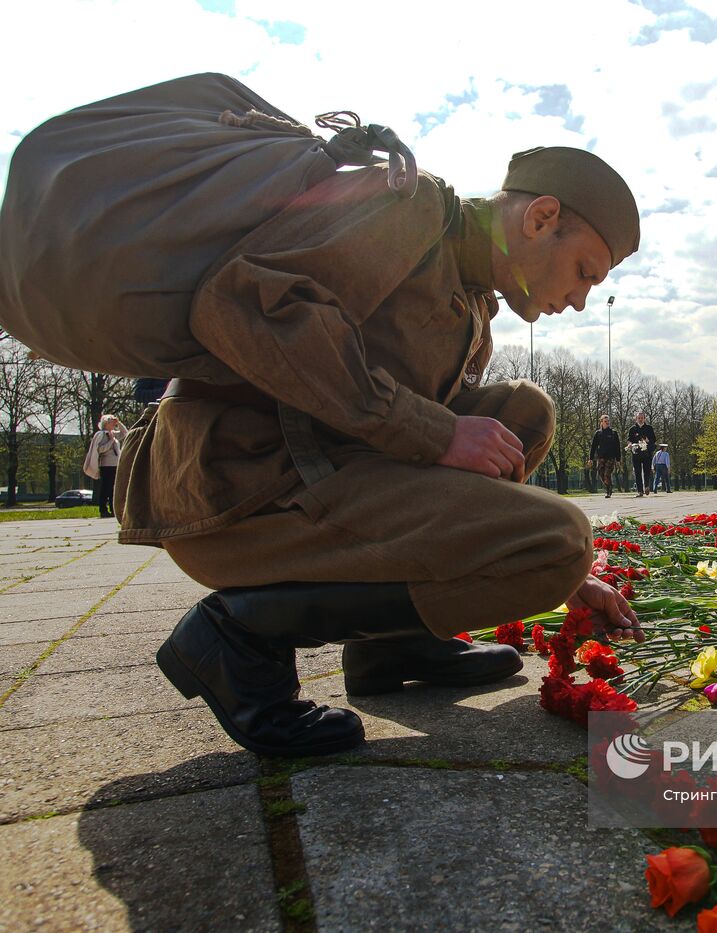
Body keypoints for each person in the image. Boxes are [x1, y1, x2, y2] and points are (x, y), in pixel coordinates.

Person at [118, 146, 645, 757]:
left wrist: (567, 580)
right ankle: (240, 635)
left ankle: (389, 644)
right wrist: (438, 435)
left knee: (521, 415)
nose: (581, 300)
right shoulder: (408, 209)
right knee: (558, 540)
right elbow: (239, 304)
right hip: (247, 485)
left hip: (317, 464)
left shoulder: (472, 290)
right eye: (585, 271)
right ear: (541, 218)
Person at [83, 414, 127, 519]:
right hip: (106, 465)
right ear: (106, 423)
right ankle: (103, 510)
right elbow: (100, 450)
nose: (113, 424)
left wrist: (119, 423)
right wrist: (111, 441)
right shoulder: (102, 435)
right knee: (105, 489)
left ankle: (113, 509)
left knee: (113, 489)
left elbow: (125, 433)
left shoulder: (113, 434)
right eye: (111, 422)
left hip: (115, 464)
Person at [589, 414, 620, 498]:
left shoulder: (613, 433)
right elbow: (593, 446)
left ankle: (608, 491)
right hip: (601, 458)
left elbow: (617, 446)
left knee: (607, 474)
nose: (607, 423)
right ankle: (609, 486)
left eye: (608, 421)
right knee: (601, 474)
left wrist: (618, 459)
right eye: (605, 421)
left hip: (611, 457)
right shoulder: (598, 433)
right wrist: (590, 458)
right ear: (601, 422)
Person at [627, 411, 656, 497]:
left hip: (647, 453)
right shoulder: (632, 429)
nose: (640, 419)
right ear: (636, 418)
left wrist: (648, 440)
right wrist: (629, 444)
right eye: (639, 418)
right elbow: (629, 440)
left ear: (644, 418)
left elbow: (654, 439)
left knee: (647, 471)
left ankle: (646, 486)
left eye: (642, 418)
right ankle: (640, 491)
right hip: (636, 453)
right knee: (637, 472)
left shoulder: (649, 428)